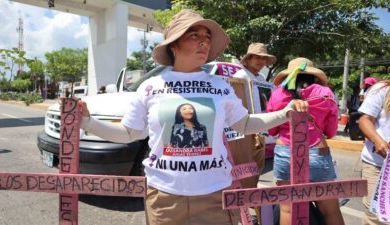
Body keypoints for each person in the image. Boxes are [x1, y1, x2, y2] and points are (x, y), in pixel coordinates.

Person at [78, 9, 308, 225]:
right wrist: (88, 122)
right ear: (173, 45)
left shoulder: (220, 86)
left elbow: (245, 124)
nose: (204, 41)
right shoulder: (151, 86)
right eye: (193, 35)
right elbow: (130, 132)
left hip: (216, 197)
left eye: (207, 36)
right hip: (164, 199)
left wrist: (284, 114)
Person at [267, 57, 344, 225]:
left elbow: (271, 130)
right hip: (318, 152)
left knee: (287, 207)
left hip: (285, 152)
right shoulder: (326, 93)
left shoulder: (278, 94)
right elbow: (330, 132)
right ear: (313, 75)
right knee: (330, 209)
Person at [233, 42, 276, 175]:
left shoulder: (262, 77)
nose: (261, 61)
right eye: (257, 57)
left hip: (261, 128)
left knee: (258, 168)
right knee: (246, 170)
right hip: (246, 129)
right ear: (249, 59)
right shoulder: (240, 76)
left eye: (263, 58)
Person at [358, 80, 390, 225]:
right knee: (376, 217)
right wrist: (378, 141)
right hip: (378, 165)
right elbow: (365, 120)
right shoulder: (381, 90)